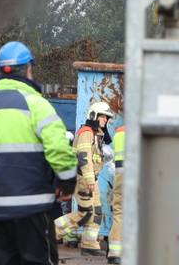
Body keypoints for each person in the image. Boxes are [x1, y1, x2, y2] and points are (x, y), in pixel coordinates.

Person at [0, 42, 78, 265]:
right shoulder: (37, 106)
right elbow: (59, 148)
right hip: (33, 209)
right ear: (28, 69)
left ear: (1, 71)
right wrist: (67, 182)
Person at [54, 101, 113, 255]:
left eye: (106, 118)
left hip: (91, 179)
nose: (105, 120)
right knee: (85, 213)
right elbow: (83, 158)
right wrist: (89, 181)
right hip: (84, 180)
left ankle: (89, 245)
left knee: (96, 212)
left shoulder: (96, 134)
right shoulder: (87, 132)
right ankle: (49, 233)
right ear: (94, 116)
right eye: (103, 117)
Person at [108, 123, 125, 263]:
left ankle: (114, 253)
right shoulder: (142, 129)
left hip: (120, 176)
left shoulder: (119, 132)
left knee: (119, 213)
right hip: (139, 174)